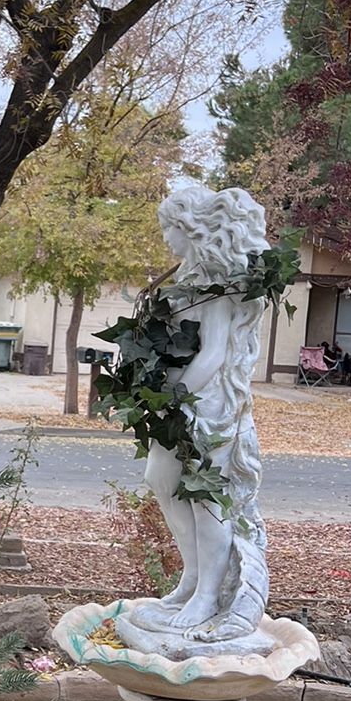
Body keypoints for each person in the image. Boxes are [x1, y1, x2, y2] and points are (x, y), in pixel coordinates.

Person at [124, 183, 271, 649]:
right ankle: (191, 580)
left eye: (170, 228)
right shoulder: (188, 282)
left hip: (208, 403)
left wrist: (173, 395)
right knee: (160, 479)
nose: (166, 238)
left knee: (206, 497)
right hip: (180, 401)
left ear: (194, 230)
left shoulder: (218, 288)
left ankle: (208, 596)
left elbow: (213, 354)